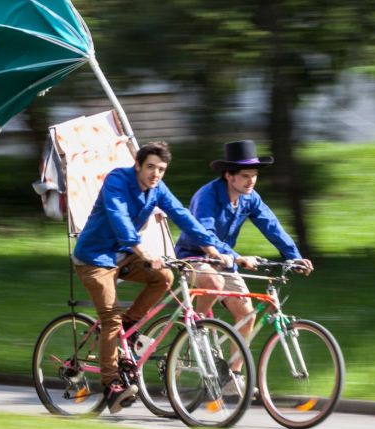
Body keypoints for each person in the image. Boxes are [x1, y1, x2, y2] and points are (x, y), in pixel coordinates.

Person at [73, 141, 231, 414]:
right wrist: (144, 251)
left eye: (161, 169)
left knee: (164, 277)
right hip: (94, 258)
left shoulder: (157, 189)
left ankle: (129, 328)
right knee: (110, 317)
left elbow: (182, 215)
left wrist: (212, 249)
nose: (155, 174)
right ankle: (111, 386)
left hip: (124, 256)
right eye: (150, 167)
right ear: (138, 165)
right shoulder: (118, 180)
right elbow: (118, 217)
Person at [174, 140, 313, 389]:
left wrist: (293, 256)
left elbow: (271, 225)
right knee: (212, 281)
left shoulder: (249, 198)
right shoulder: (207, 197)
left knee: (246, 313)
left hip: (226, 260)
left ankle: (232, 374)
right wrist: (237, 257)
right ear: (229, 176)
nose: (251, 181)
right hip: (194, 256)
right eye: (245, 176)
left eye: (255, 176)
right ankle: (197, 330)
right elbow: (205, 234)